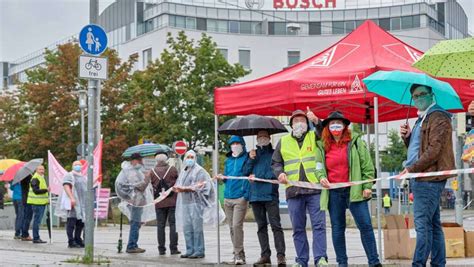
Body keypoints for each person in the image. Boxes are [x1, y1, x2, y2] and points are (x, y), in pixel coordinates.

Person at [316, 111, 381, 267]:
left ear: (345, 126)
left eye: (339, 123)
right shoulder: (322, 145)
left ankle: (374, 262)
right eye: (332, 123)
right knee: (338, 229)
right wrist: (321, 177)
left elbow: (368, 166)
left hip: (355, 191)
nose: (335, 126)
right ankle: (342, 263)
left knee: (365, 226)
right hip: (334, 192)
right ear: (327, 127)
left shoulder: (355, 142)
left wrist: (367, 186)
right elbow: (318, 167)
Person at [400, 84, 455, 267]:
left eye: (423, 94)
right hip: (422, 176)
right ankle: (438, 263)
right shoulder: (422, 119)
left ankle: (419, 263)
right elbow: (419, 149)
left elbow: (434, 150)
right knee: (432, 224)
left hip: (428, 178)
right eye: (415, 96)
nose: (419, 98)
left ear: (432, 95)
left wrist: (411, 169)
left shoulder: (438, 116)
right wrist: (407, 137)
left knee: (422, 225)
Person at [272, 109, 328, 267]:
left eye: (302, 120)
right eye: (295, 121)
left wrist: (317, 121)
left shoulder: (314, 136)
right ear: (291, 124)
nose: (299, 123)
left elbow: (326, 136)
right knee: (298, 228)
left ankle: (320, 258)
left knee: (319, 226)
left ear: (307, 123)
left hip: (315, 189)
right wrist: (280, 173)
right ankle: (302, 260)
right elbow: (276, 162)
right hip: (293, 191)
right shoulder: (283, 141)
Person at [243, 130, 286, 266]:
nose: (262, 139)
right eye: (259, 137)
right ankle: (265, 255)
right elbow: (244, 172)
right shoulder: (252, 154)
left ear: (269, 138)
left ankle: (281, 256)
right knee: (261, 227)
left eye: (264, 137)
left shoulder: (274, 153)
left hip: (270, 195)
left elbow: (276, 172)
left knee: (276, 226)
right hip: (255, 196)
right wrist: (250, 158)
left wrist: (260, 178)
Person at [175, 150, 222, 259]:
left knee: (197, 228)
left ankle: (199, 250)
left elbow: (203, 187)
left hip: (196, 203)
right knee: (187, 227)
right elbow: (179, 183)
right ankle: (189, 249)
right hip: (185, 203)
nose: (189, 159)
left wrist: (186, 189)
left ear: (195, 158)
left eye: (192, 157)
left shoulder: (199, 171)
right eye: (188, 157)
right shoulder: (184, 171)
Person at [216, 135, 250, 265]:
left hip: (240, 197)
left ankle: (239, 254)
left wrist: (245, 195)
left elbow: (247, 174)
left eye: (237, 143)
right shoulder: (228, 160)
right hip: (228, 197)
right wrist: (222, 177)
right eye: (232, 143)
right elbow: (227, 176)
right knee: (231, 227)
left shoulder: (246, 158)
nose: (235, 145)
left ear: (242, 144)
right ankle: (237, 254)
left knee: (237, 226)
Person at [115, 153, 154, 254]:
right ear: (135, 161)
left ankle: (133, 244)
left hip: (135, 200)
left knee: (136, 223)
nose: (141, 163)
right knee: (135, 223)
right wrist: (147, 178)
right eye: (140, 161)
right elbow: (140, 186)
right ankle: (131, 245)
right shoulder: (131, 172)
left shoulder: (130, 170)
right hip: (135, 201)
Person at [150, 153, 180, 255]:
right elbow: (178, 181)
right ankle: (173, 248)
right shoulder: (172, 169)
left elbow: (149, 185)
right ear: (166, 160)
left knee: (160, 226)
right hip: (172, 201)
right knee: (173, 224)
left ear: (156, 161)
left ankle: (161, 249)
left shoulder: (152, 171)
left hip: (159, 202)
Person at [58, 161, 87, 248]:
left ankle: (78, 239)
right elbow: (66, 186)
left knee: (80, 222)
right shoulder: (69, 175)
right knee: (72, 221)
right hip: (73, 202)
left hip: (82, 203)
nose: (77, 166)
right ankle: (71, 241)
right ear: (72, 166)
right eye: (75, 164)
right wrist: (71, 198)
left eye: (79, 165)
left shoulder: (83, 176)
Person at [27, 165, 49, 244]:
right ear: (36, 170)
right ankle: (36, 238)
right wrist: (46, 190)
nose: (42, 170)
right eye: (40, 169)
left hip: (41, 202)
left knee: (37, 221)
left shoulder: (41, 177)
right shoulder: (35, 178)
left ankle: (36, 237)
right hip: (37, 203)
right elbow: (36, 191)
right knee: (37, 221)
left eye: (43, 169)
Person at [20, 174, 33, 241]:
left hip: (25, 199)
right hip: (28, 199)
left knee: (25, 217)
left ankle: (23, 234)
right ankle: (25, 235)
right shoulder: (27, 177)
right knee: (28, 217)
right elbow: (31, 187)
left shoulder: (22, 177)